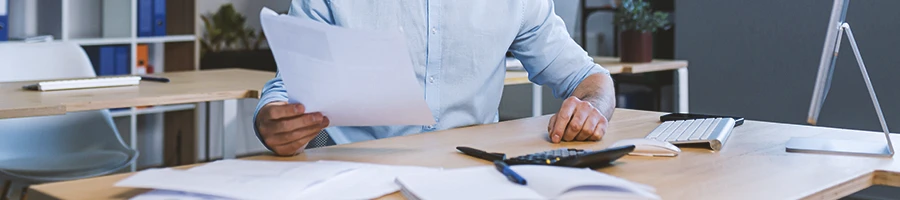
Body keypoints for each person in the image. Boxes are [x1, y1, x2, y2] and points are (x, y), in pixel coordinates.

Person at [254, 0, 616, 156]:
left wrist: (591, 108)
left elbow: (590, 79)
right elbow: (288, 85)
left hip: (471, 173)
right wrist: (272, 121)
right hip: (357, 170)